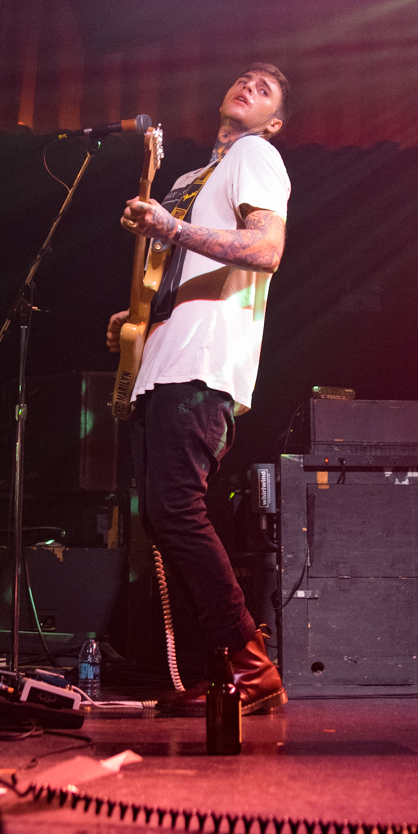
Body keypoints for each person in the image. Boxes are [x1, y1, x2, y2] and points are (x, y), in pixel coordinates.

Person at [107, 65, 291, 714]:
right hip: (164, 359)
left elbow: (266, 250)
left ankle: (250, 662)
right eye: (243, 78)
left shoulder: (255, 154)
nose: (248, 85)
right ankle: (226, 671)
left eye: (264, 90)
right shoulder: (190, 180)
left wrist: (174, 229)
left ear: (273, 123)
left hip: (206, 361)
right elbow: (177, 267)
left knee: (177, 510)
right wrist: (139, 317)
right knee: (161, 515)